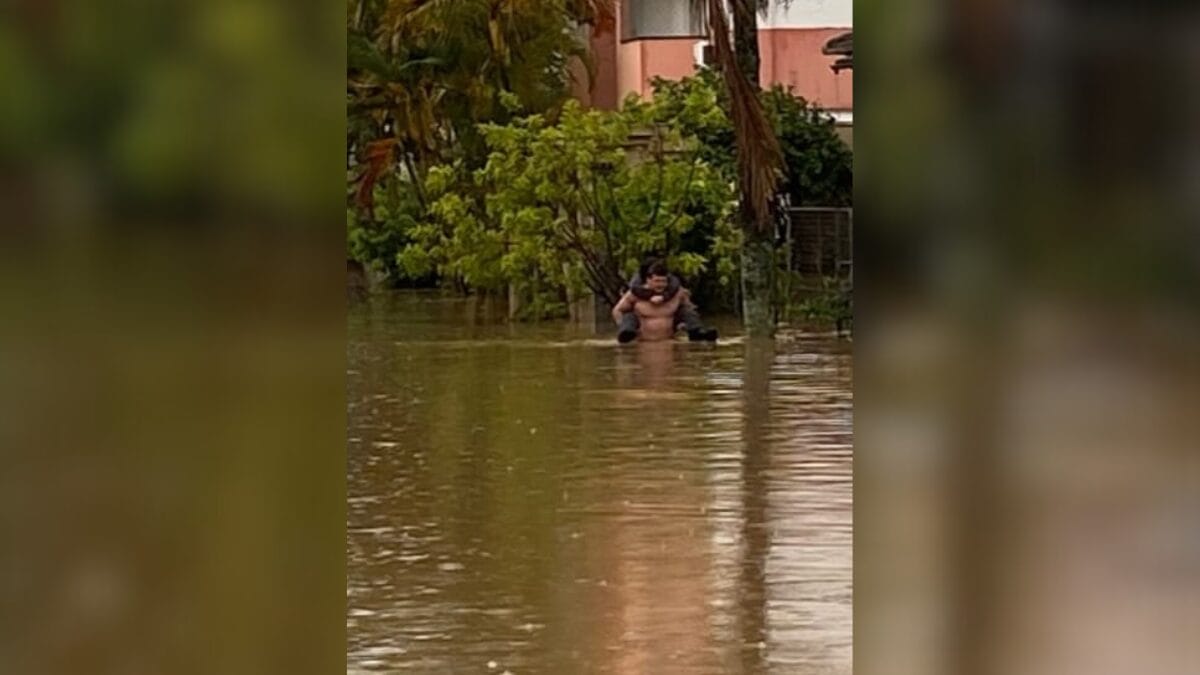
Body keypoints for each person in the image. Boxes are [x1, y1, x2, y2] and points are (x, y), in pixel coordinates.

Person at [611, 259, 718, 343]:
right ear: (648, 280)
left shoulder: (678, 293)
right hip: (642, 342)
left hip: (670, 342)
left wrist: (684, 326)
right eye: (657, 281)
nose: (660, 285)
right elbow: (617, 311)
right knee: (628, 317)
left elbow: (690, 309)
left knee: (687, 312)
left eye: (663, 281)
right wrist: (623, 326)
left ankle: (698, 334)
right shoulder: (633, 295)